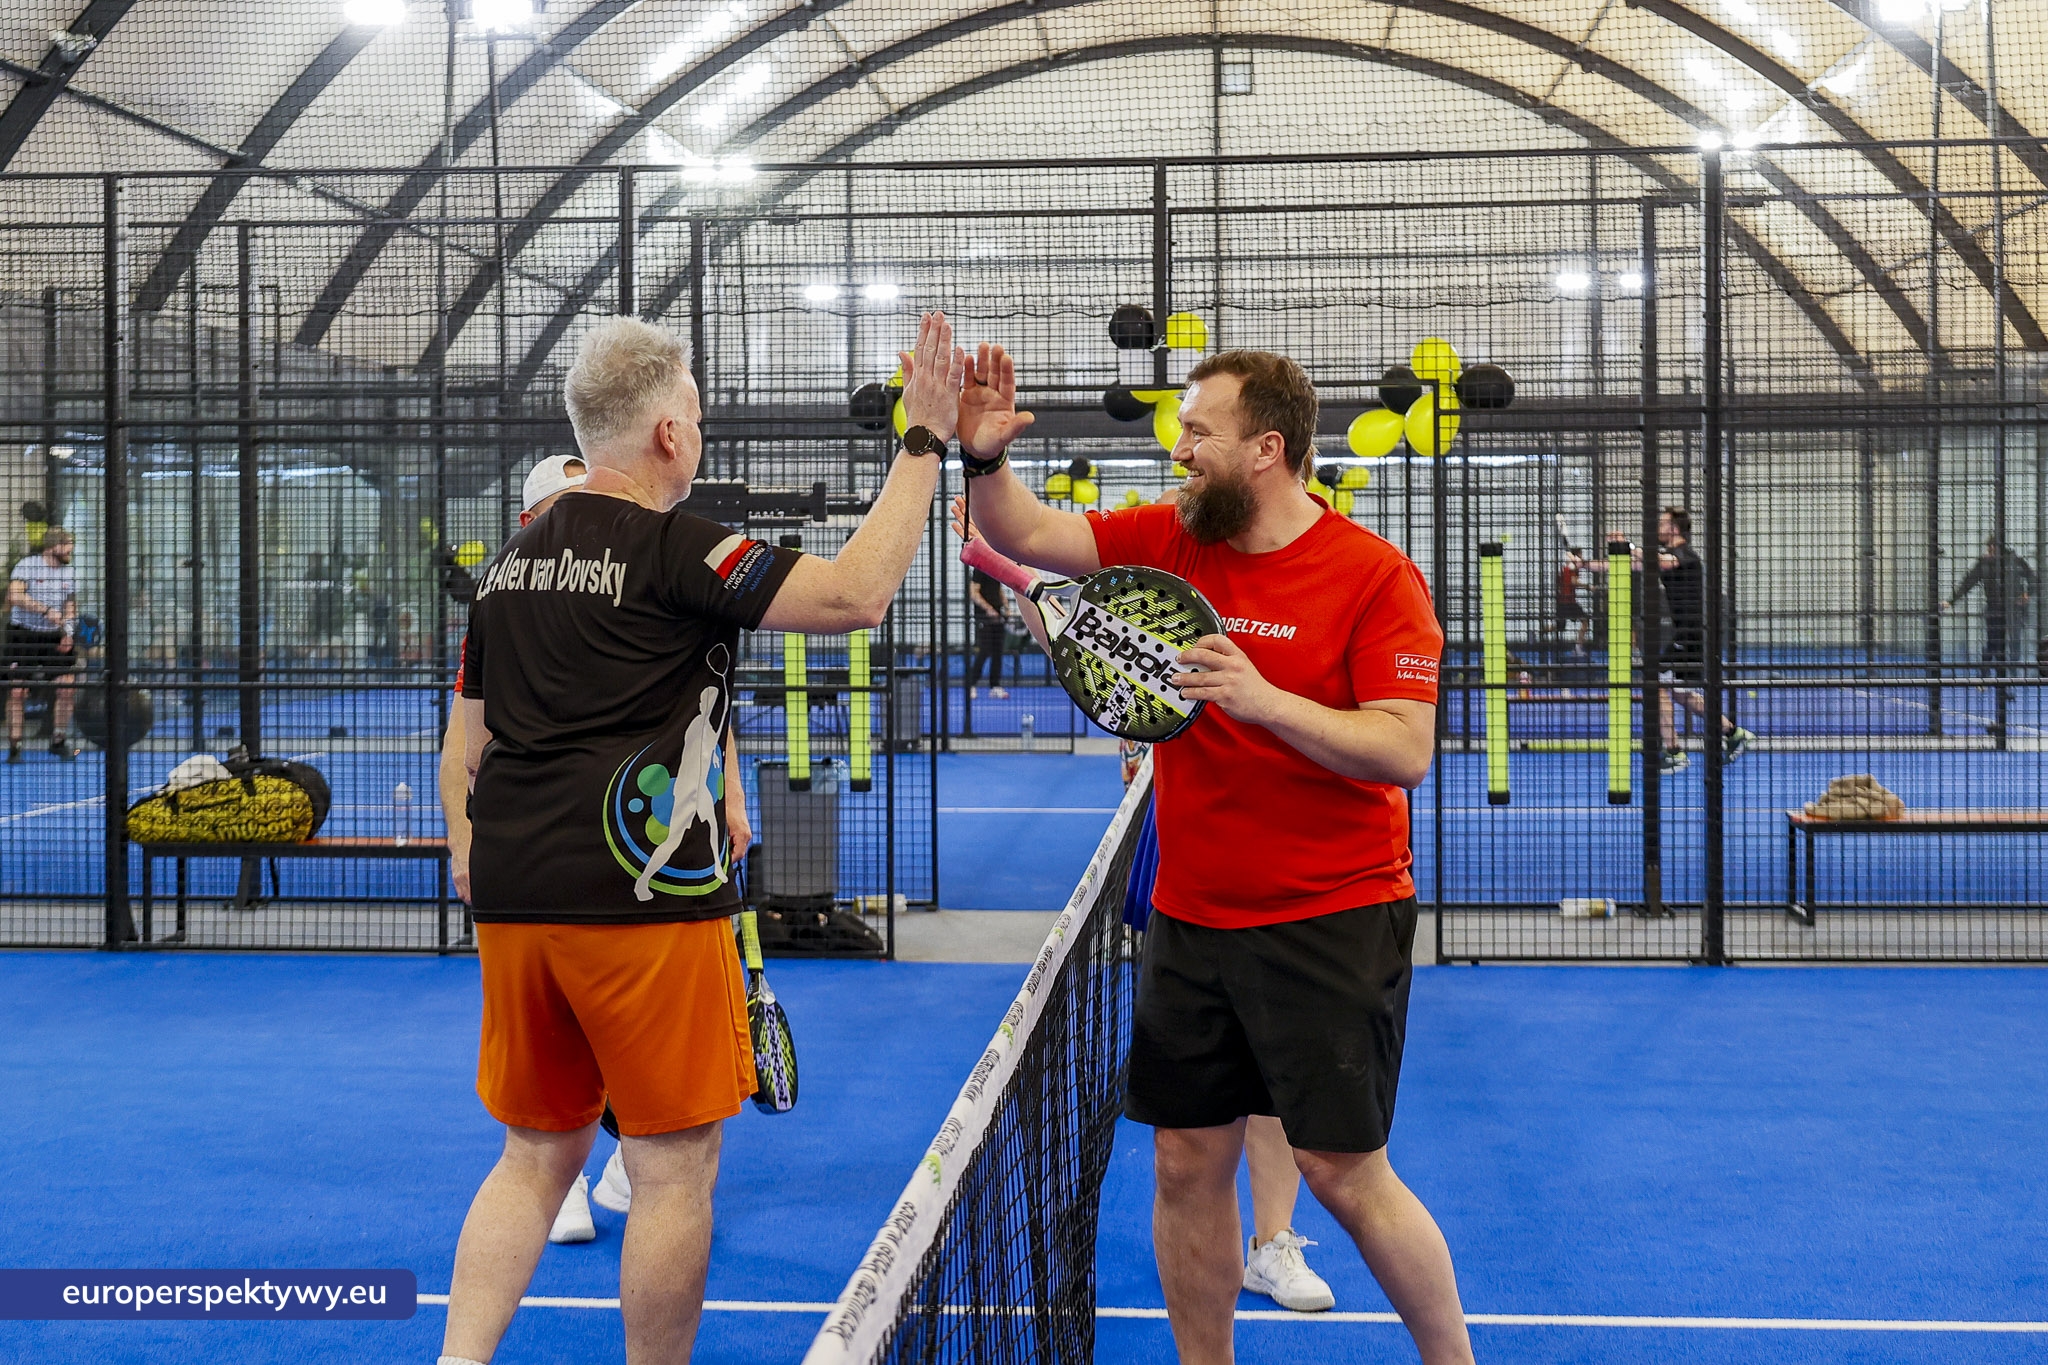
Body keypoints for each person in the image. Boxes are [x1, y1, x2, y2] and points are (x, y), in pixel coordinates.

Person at [440, 312, 962, 1365]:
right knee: (675, 1169)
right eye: (699, 417)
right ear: (670, 435)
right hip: (640, 901)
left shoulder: (508, 566)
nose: (702, 434)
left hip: (511, 892)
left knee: (534, 1154)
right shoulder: (680, 544)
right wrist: (923, 444)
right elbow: (856, 595)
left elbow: (465, 753)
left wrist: (479, 869)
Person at [957, 344, 1473, 1364]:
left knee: (1340, 1171)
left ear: (1265, 450)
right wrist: (980, 462)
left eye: (1198, 431)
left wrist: (1264, 699)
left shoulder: (1376, 578)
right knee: (1185, 1162)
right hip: (1190, 917)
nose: (1178, 447)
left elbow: (1402, 750)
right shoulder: (1170, 537)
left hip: (1330, 916)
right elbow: (1023, 532)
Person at [951, 493, 1335, 1312]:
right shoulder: (1165, 571)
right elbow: (1080, 636)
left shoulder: (1309, 582)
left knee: (1272, 1081)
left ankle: (1272, 1242)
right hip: (1177, 840)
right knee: (1199, 1107)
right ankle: (1230, 1244)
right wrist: (995, 553)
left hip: (1287, 865)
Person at [1650, 507, 1753, 775]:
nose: (1658, 527)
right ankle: (1733, 732)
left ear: (1673, 529)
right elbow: (1636, 562)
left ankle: (1673, 752)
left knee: (1656, 685)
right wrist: (1585, 565)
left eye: (1662, 523)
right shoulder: (1670, 556)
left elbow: (1655, 560)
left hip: (1690, 636)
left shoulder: (1685, 556)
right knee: (1679, 694)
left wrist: (1627, 548)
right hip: (1689, 635)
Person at [7, 526, 80, 762]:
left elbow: (70, 606)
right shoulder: (27, 566)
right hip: (24, 635)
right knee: (18, 690)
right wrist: (45, 610)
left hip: (54, 636)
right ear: (53, 546)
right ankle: (15, 746)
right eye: (67, 544)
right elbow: (14, 596)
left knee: (66, 687)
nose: (71, 549)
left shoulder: (70, 573)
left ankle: (58, 741)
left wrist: (68, 633)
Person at [1942, 534, 2036, 679]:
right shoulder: (1984, 564)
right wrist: (1951, 600)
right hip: (1994, 607)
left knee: (2015, 641)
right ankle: (1986, 672)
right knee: (1993, 641)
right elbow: (1968, 582)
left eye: (1994, 547)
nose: (1991, 550)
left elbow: (2032, 578)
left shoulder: (2014, 560)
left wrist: (2027, 594)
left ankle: (2011, 670)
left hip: (2014, 608)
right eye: (1990, 547)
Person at [965, 563, 1011, 700]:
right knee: (985, 650)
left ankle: (995, 686)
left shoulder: (995, 565)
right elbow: (974, 593)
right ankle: (971, 685)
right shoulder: (979, 567)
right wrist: (988, 609)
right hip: (983, 617)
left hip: (998, 615)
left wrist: (1006, 606)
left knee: (998, 650)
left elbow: (998, 589)